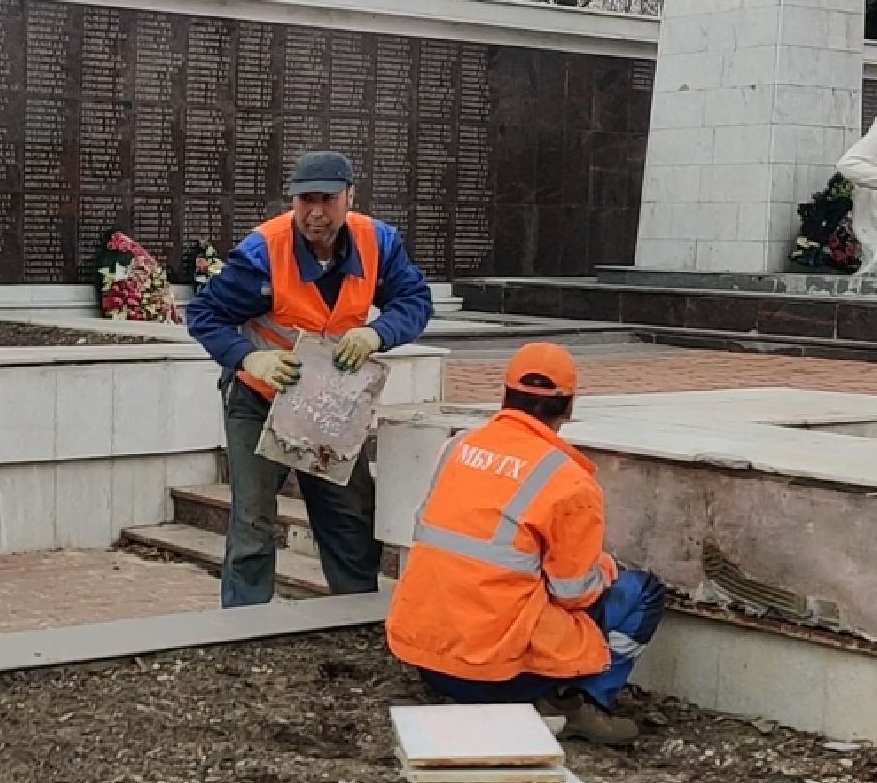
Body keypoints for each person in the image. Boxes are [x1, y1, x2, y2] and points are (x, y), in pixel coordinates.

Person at [384, 342, 668, 746]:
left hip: (429, 659)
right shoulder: (569, 481)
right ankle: (579, 701)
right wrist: (604, 569)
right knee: (643, 591)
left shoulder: (457, 448)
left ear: (505, 395)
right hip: (498, 675)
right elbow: (575, 593)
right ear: (567, 407)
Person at [186, 151, 434, 607]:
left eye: (327, 199)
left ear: (350, 198)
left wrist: (378, 332)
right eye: (305, 200)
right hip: (261, 400)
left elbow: (415, 300)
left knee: (349, 518)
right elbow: (205, 315)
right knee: (253, 521)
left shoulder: (378, 242)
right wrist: (249, 359)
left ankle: (351, 618)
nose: (315, 212)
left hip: (331, 405)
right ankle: (245, 627)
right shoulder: (264, 251)